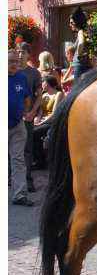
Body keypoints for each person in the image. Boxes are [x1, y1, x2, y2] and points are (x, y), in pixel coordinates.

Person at [8, 50, 34, 206]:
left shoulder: (22, 77)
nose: (14, 64)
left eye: (16, 61)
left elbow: (26, 98)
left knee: (18, 160)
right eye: (11, 61)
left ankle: (19, 195)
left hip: (17, 125)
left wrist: (25, 112)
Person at [17, 42, 42, 193]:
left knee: (27, 149)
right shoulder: (9, 70)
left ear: (28, 55)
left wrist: (33, 111)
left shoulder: (34, 73)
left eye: (23, 52)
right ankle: (11, 177)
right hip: (11, 116)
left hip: (27, 116)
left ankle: (27, 179)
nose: (20, 55)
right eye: (18, 51)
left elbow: (39, 96)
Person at [69, 7, 92, 84]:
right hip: (85, 64)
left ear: (77, 22)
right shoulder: (87, 32)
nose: (70, 25)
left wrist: (79, 53)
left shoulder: (80, 32)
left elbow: (81, 43)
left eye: (72, 22)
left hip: (79, 65)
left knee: (77, 87)